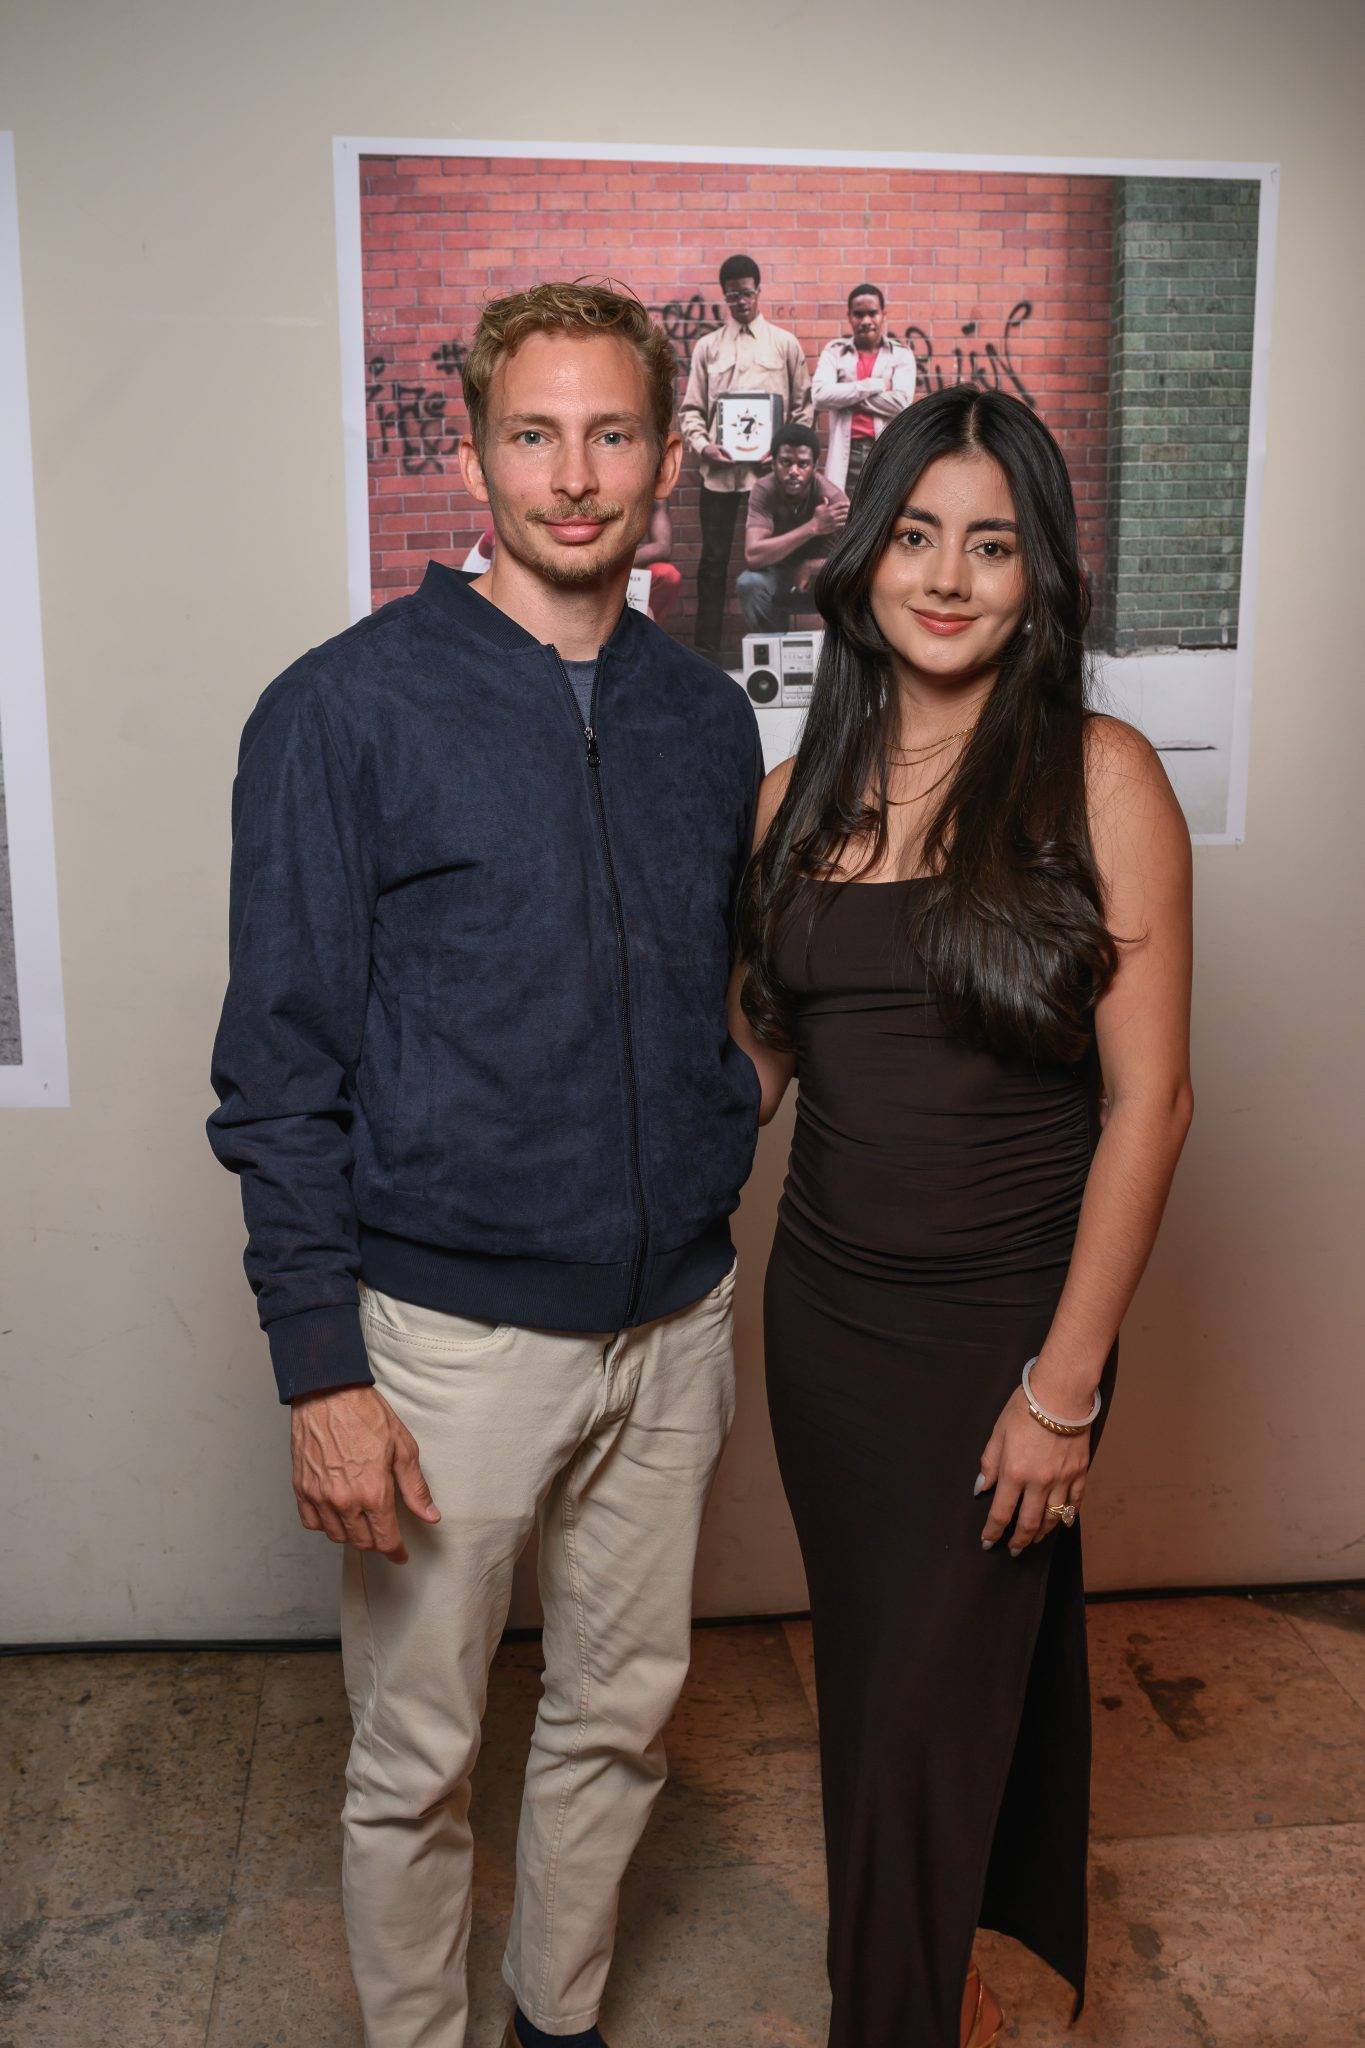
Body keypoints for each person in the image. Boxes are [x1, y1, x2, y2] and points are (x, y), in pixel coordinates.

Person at [207, 280, 764, 2048]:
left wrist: (713, 1149)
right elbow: (277, 1071)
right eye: (535, 432)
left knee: (621, 1716)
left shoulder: (704, 720)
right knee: (417, 1753)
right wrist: (322, 1369)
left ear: (670, 460)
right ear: (475, 449)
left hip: (673, 1324)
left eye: (612, 433)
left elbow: (712, 992)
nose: (575, 474)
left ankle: (557, 2019)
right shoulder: (342, 710)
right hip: (445, 1342)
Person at [730, 385, 1194, 2048]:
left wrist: (1064, 1386)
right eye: (917, 535)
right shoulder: (790, 798)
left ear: (1039, 576)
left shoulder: (1099, 778)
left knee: (921, 1702)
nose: (947, 577)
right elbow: (761, 1059)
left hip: (1011, 1334)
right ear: (862, 561)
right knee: (884, 1688)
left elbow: (1154, 1101)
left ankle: (898, 2012)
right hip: (829, 1333)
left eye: (992, 545)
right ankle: (944, 1976)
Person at [679, 253, 812, 663]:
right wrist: (704, 447)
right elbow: (691, 411)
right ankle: (706, 653)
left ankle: (779, 652)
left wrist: (784, 453)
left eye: (748, 293)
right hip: (719, 476)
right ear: (725, 297)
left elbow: (804, 408)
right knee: (713, 562)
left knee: (779, 559)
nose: (741, 301)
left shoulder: (784, 344)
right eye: (733, 296)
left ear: (759, 290)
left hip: (768, 481)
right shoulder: (708, 348)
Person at [466, 502, 681, 624]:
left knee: (667, 575)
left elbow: (663, 547)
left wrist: (605, 561)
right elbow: (501, 582)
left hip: (605, 566)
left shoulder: (653, 496)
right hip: (486, 589)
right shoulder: (514, 521)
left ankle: (640, 634)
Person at [737, 422, 848, 634]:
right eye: (785, 462)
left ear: (815, 466)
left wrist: (810, 567)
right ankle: (772, 649)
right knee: (749, 583)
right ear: (773, 463)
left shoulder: (834, 498)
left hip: (822, 578)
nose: (793, 471)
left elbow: (861, 558)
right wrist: (813, 527)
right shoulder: (764, 490)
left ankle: (841, 653)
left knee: (855, 585)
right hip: (778, 573)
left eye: (803, 464)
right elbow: (753, 555)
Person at [811, 281, 917, 498]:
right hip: (845, 454)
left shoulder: (901, 355)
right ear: (849, 316)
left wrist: (843, 395)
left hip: (884, 451)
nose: (866, 321)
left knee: (880, 517)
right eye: (859, 314)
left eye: (872, 313)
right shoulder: (835, 352)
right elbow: (820, 396)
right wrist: (875, 385)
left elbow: (901, 403)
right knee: (844, 519)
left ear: (883, 314)